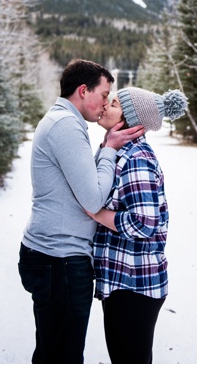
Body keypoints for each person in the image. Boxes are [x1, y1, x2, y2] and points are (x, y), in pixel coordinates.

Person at [18, 59, 145, 364]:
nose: (105, 105)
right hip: (58, 260)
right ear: (83, 90)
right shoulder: (65, 125)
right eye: (104, 95)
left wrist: (104, 148)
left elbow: (83, 180)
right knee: (63, 356)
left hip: (55, 257)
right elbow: (92, 198)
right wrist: (111, 148)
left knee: (55, 350)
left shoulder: (65, 121)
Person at [87, 86, 188, 364]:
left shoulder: (137, 159)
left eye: (116, 104)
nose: (106, 105)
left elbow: (143, 223)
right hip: (125, 283)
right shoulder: (122, 152)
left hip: (135, 285)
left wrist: (95, 213)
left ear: (132, 121)